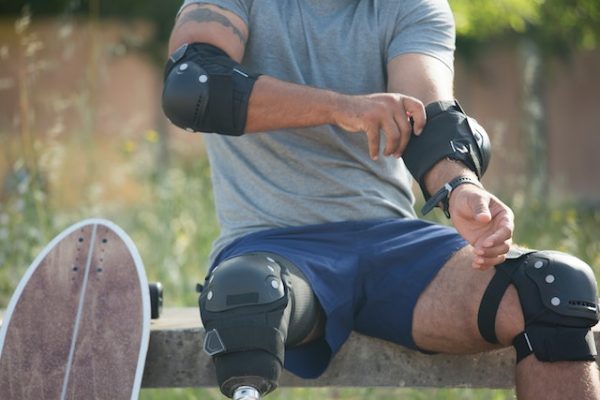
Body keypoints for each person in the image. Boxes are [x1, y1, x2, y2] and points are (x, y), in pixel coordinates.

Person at [162, 1, 600, 399]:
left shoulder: (411, 7)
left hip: (391, 245)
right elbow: (194, 85)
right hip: (270, 243)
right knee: (247, 298)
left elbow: (432, 121)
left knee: (552, 290)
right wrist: (341, 108)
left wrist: (461, 188)